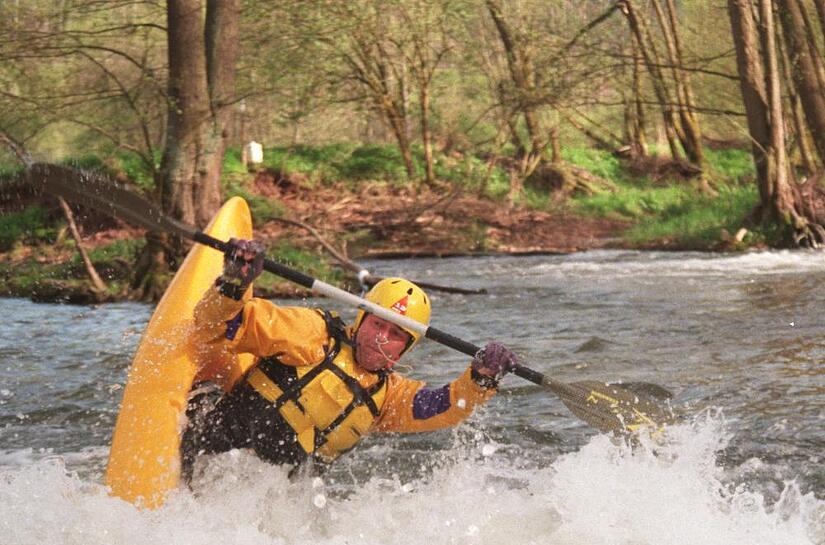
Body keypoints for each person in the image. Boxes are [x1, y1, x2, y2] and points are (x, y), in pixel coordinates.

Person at [181, 239, 517, 481]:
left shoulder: (388, 398)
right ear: (361, 319)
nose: (382, 337)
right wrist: (233, 284)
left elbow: (446, 405)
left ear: (405, 349)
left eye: (395, 334)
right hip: (210, 450)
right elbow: (218, 326)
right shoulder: (312, 335)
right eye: (378, 324)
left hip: (269, 495)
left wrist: (481, 378)